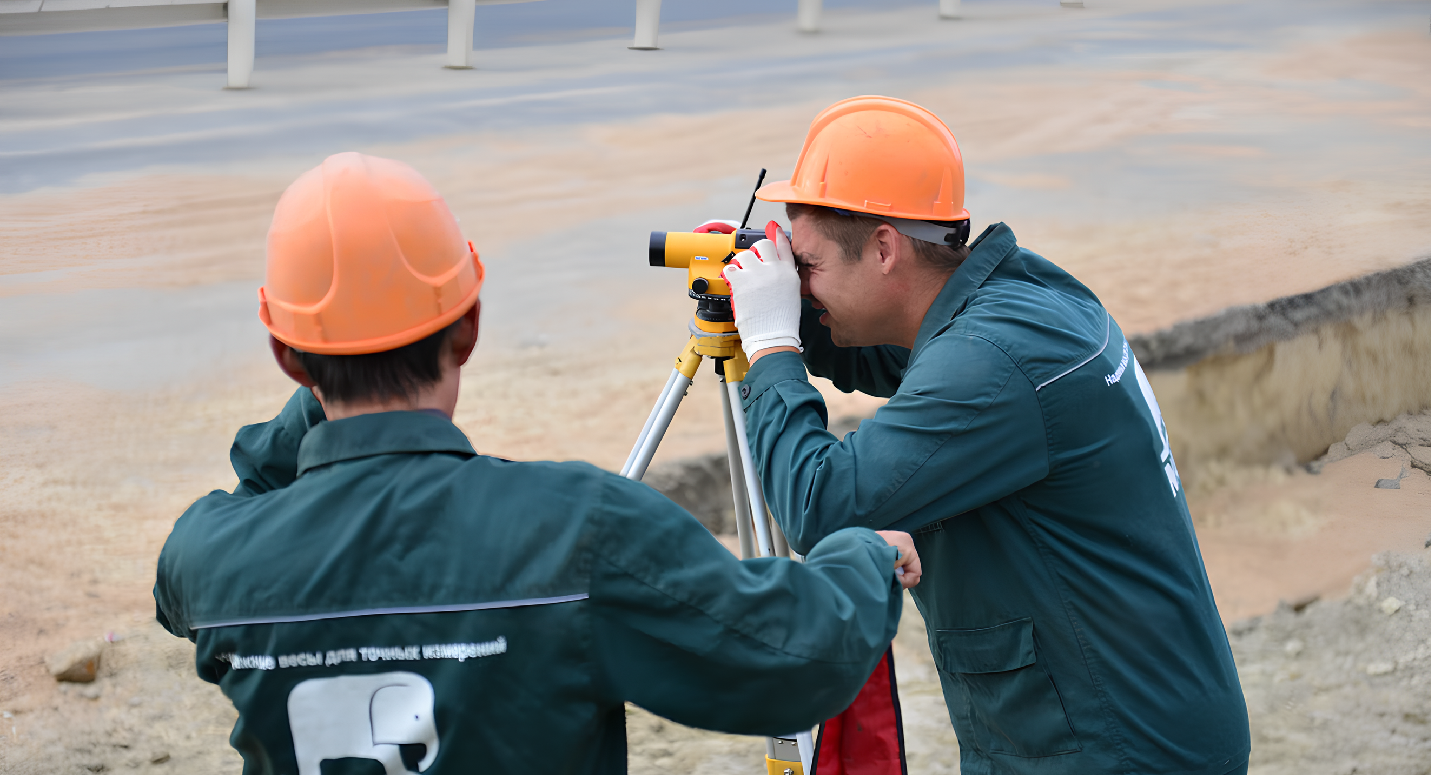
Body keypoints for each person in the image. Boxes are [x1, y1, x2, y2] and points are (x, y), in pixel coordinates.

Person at [152, 152, 923, 775]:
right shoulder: (574, 531)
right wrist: (864, 554)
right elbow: (790, 659)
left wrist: (334, 366)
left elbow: (257, 485)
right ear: (469, 327)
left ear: (285, 356)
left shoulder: (212, 561)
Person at [720, 96, 1250, 775]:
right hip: (1126, 719)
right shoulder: (1021, 298)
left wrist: (769, 345)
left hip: (1111, 746)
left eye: (807, 267)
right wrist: (777, 305)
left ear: (883, 247)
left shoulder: (996, 361)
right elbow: (885, 352)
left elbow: (825, 509)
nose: (800, 283)